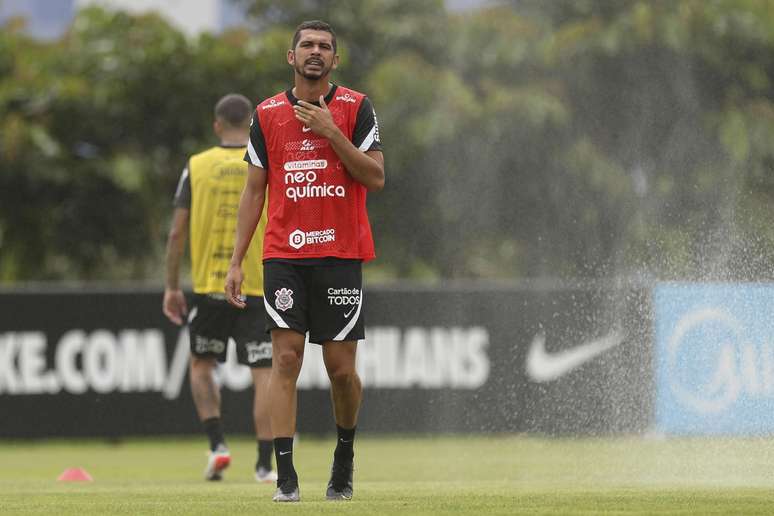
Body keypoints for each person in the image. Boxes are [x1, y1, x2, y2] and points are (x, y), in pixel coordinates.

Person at [225, 20, 384, 502]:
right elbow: (255, 192)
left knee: (340, 369)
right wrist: (235, 262)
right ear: (290, 57)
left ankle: (344, 459)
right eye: (307, 46)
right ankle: (286, 477)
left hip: (339, 253)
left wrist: (333, 133)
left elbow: (374, 177)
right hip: (284, 255)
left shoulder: (356, 107)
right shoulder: (267, 113)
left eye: (324, 47)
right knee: (286, 359)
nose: (315, 52)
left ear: (334, 60)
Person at [163, 93, 277, 484]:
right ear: (251, 125)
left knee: (201, 365)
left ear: (216, 125)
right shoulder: (265, 161)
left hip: (211, 283)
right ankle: (265, 463)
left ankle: (218, 446)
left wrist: (172, 286)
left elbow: (177, 233)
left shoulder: (196, 166)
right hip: (257, 284)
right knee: (264, 373)